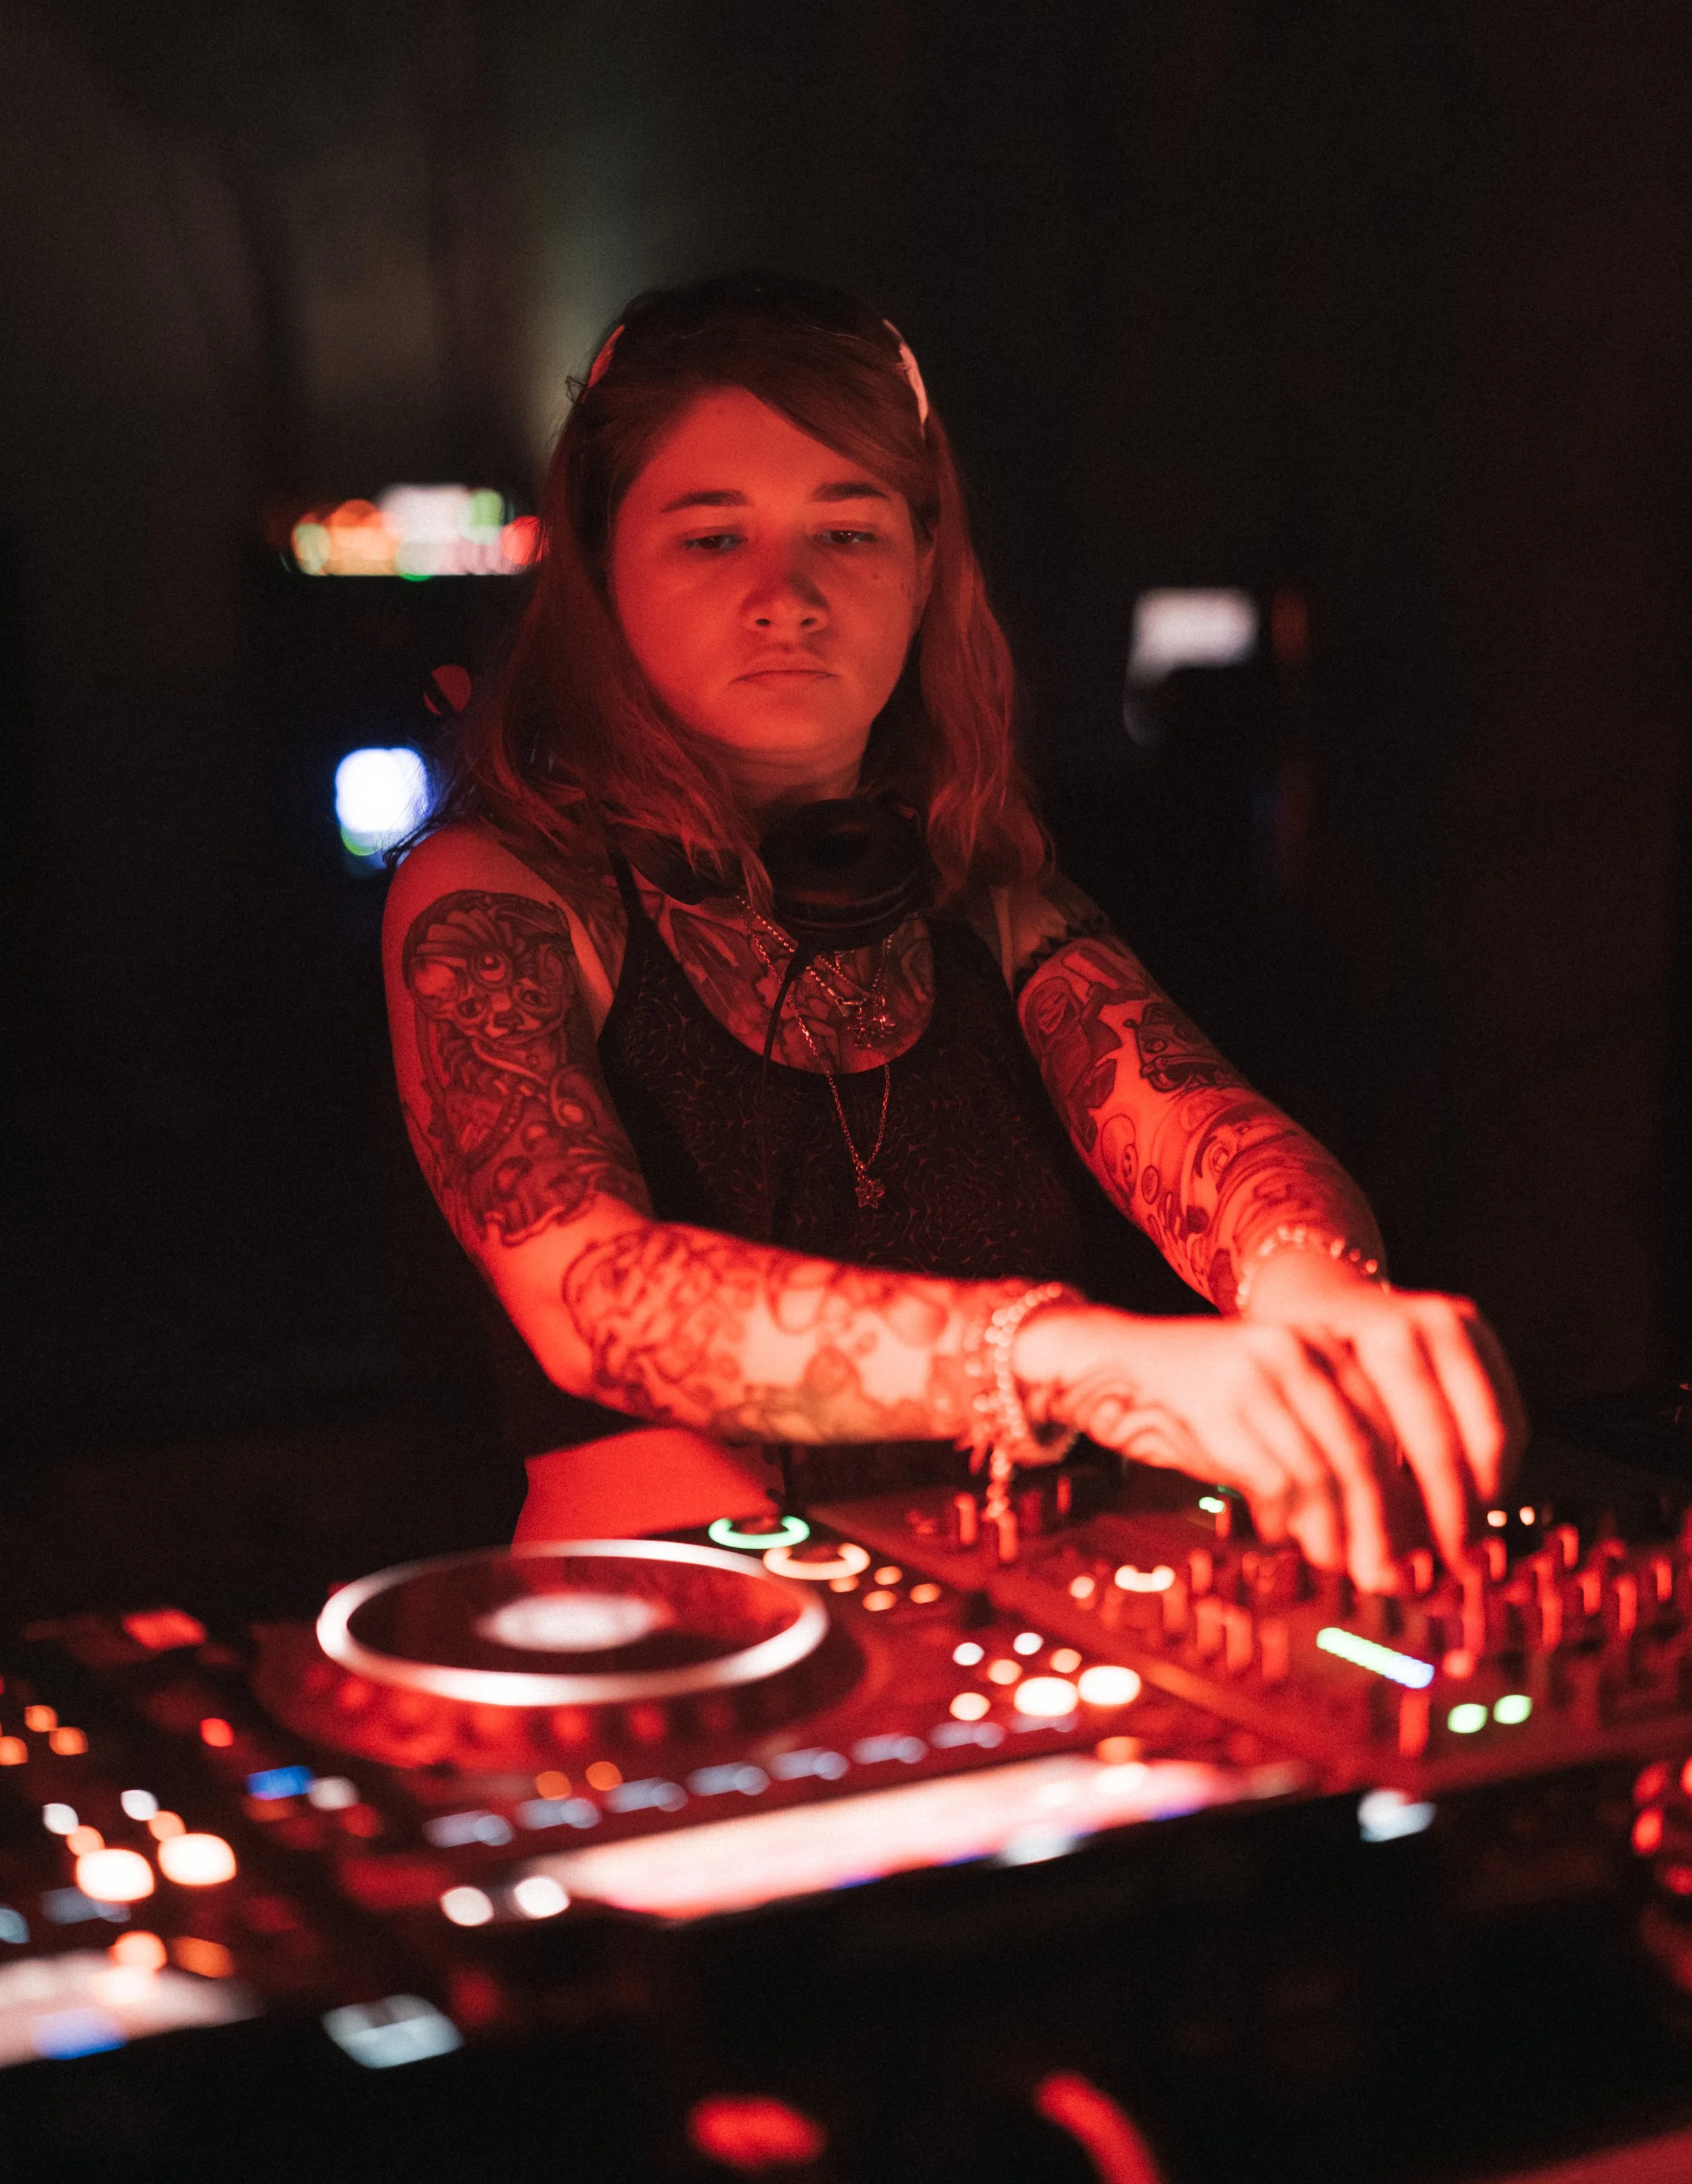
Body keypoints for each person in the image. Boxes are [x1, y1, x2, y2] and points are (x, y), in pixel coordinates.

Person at [383, 273, 1520, 1587]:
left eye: (848, 532)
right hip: (657, 1661)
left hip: (992, 1617)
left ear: (926, 569)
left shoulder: (983, 897)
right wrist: (1067, 1360)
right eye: (711, 537)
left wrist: (1319, 1295)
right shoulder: (495, 893)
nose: (788, 595)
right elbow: (592, 1299)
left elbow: (1203, 1133)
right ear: (597, 570)